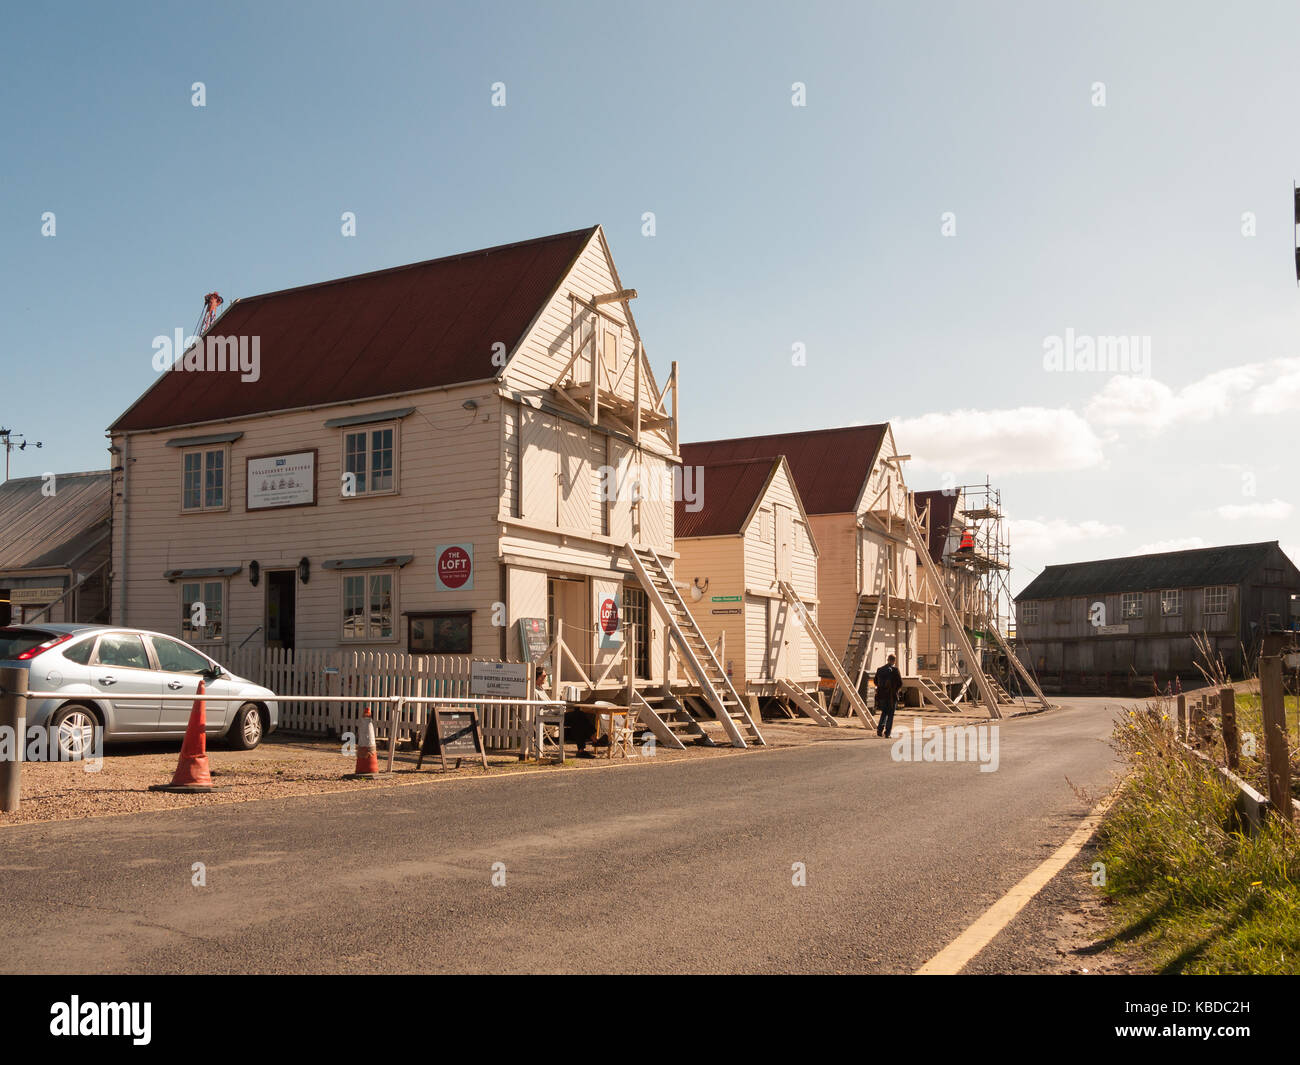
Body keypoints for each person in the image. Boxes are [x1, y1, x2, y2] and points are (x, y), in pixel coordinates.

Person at [539, 663, 597, 758]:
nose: (546, 677)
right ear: (539, 677)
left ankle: (584, 747)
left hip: (554, 713)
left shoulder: (542, 690)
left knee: (578, 717)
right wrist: (559, 707)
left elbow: (549, 705)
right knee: (578, 716)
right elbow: (545, 707)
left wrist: (559, 707)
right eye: (544, 675)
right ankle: (593, 740)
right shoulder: (536, 691)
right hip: (547, 716)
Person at [873, 654, 902, 738]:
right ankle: (887, 733)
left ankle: (879, 730)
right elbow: (900, 683)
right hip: (892, 696)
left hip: (881, 696)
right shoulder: (895, 670)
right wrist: (895, 690)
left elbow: (875, 681)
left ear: (887, 659)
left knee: (884, 712)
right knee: (890, 714)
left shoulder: (880, 669)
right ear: (894, 661)